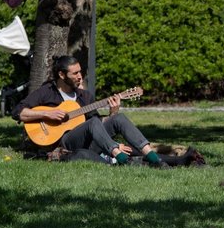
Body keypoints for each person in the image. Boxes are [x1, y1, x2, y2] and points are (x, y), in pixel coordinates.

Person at [13, 55, 166, 166]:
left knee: (119, 118)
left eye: (80, 72)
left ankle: (154, 158)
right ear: (61, 74)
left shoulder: (84, 96)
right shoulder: (47, 92)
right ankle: (122, 159)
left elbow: (98, 125)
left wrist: (113, 113)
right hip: (63, 144)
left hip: (86, 143)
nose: (80, 77)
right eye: (75, 73)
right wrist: (47, 113)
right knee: (92, 122)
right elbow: (18, 112)